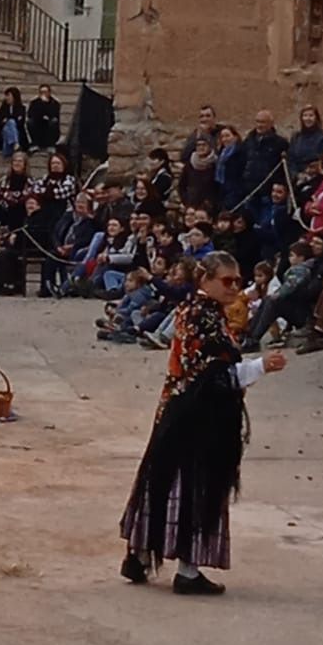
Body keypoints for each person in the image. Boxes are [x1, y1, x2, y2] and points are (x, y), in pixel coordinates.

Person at [119, 251, 286, 593]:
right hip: (199, 416)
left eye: (238, 281)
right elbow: (212, 375)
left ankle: (138, 555)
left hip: (178, 409)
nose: (234, 287)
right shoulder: (205, 317)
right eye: (227, 281)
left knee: (163, 480)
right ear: (206, 279)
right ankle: (188, 570)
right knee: (196, 489)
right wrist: (259, 367)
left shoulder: (198, 311)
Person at [241, 111, 289, 207]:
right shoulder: (249, 141)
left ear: (271, 124)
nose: (259, 125)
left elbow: (284, 168)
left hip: (268, 192)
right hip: (249, 190)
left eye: (263, 122)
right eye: (257, 122)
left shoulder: (280, 143)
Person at [288, 105, 323, 177]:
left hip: (314, 176)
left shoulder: (322, 137)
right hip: (296, 177)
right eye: (305, 116)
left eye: (311, 116)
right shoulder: (296, 137)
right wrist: (295, 174)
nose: (308, 118)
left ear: (316, 118)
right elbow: (291, 159)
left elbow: (322, 160)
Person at [0, 87, 29, 158]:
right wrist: (11, 120)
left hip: (18, 133)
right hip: (3, 133)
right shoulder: (3, 109)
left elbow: (20, 123)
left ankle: (9, 150)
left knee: (10, 124)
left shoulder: (21, 108)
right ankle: (15, 144)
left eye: (8, 95)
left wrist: (7, 120)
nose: (6, 98)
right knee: (9, 125)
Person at [27, 85, 62, 151]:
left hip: (49, 128)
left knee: (53, 121)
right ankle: (35, 144)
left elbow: (53, 114)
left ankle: (51, 145)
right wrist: (41, 104)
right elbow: (31, 114)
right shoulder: (34, 103)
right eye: (41, 92)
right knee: (30, 122)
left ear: (49, 93)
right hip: (38, 127)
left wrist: (45, 105)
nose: (43, 94)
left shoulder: (54, 103)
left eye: (45, 92)